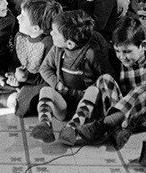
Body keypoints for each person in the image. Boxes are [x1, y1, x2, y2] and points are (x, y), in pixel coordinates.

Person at [76, 15, 146, 150]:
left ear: (143, 46)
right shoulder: (115, 59)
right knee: (105, 78)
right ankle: (117, 130)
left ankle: (104, 125)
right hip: (120, 111)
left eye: (127, 51)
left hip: (145, 116)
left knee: (143, 90)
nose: (122, 56)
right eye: (118, 51)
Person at [31, 10, 114, 145]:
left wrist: (95, 91)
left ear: (69, 43)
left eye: (55, 32)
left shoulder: (92, 54)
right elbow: (44, 68)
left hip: (86, 108)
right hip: (64, 103)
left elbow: (108, 77)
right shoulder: (57, 50)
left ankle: (72, 128)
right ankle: (45, 124)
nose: (51, 33)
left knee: (93, 91)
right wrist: (56, 83)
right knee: (45, 90)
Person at [6, 0, 63, 117]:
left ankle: (20, 96)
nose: (18, 17)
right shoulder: (19, 36)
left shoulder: (49, 44)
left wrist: (27, 78)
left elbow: (48, 75)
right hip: (23, 79)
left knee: (28, 101)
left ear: (36, 28)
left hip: (39, 82)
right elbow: (14, 60)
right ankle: (16, 91)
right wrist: (12, 74)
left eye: (23, 17)